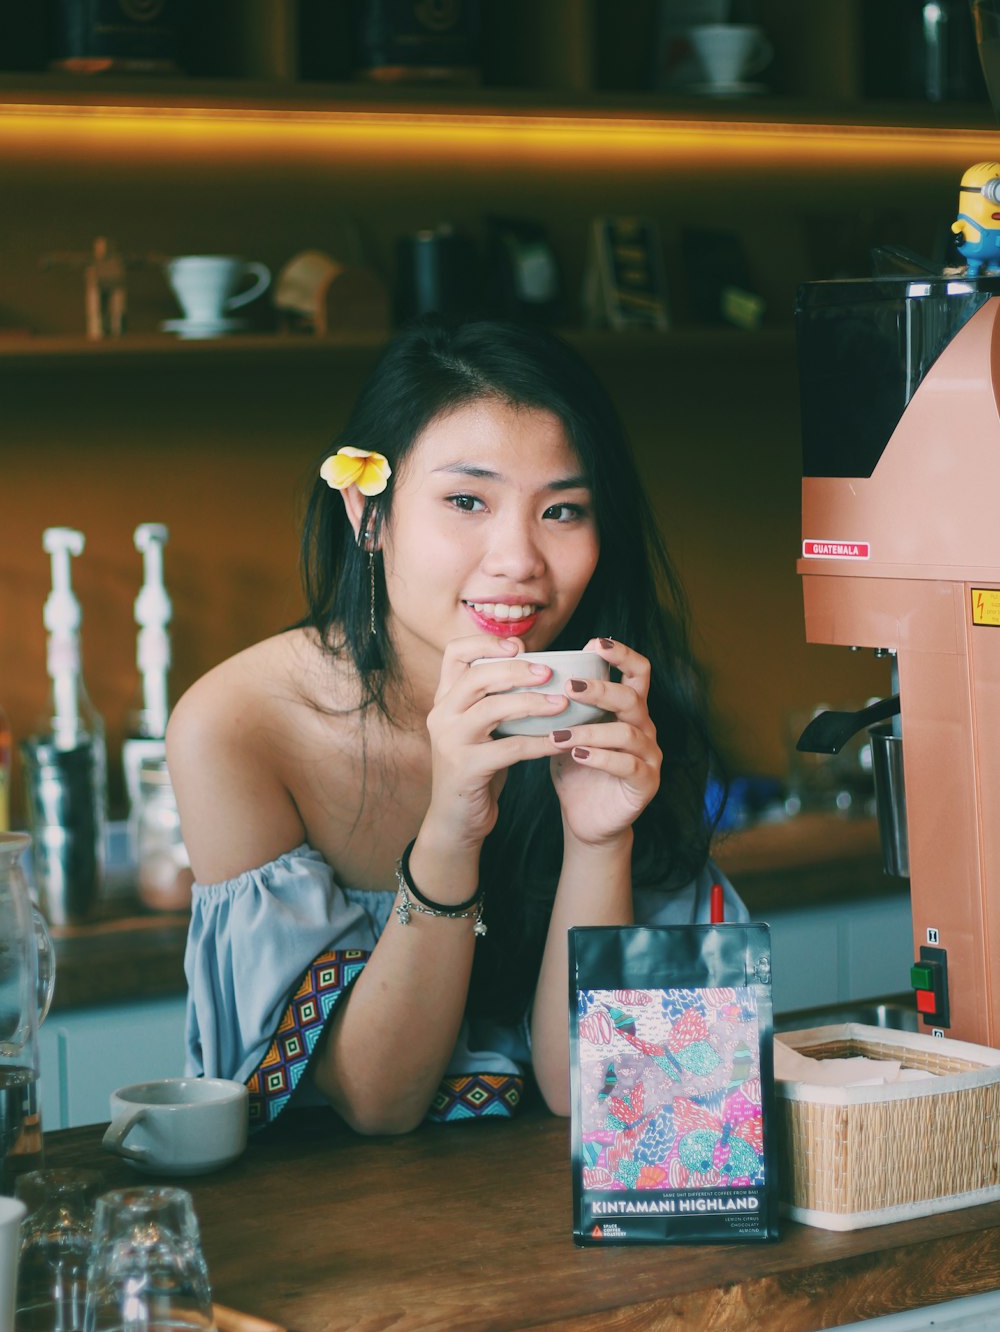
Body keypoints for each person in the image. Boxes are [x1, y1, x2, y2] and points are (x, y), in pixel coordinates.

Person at [166, 317, 746, 1136]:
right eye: (467, 500)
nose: (518, 559)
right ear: (368, 511)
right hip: (316, 1238)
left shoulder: (614, 706)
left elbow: (598, 1094)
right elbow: (375, 1100)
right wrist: (451, 828)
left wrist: (598, 841)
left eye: (564, 510)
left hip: (559, 1227)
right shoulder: (241, 726)